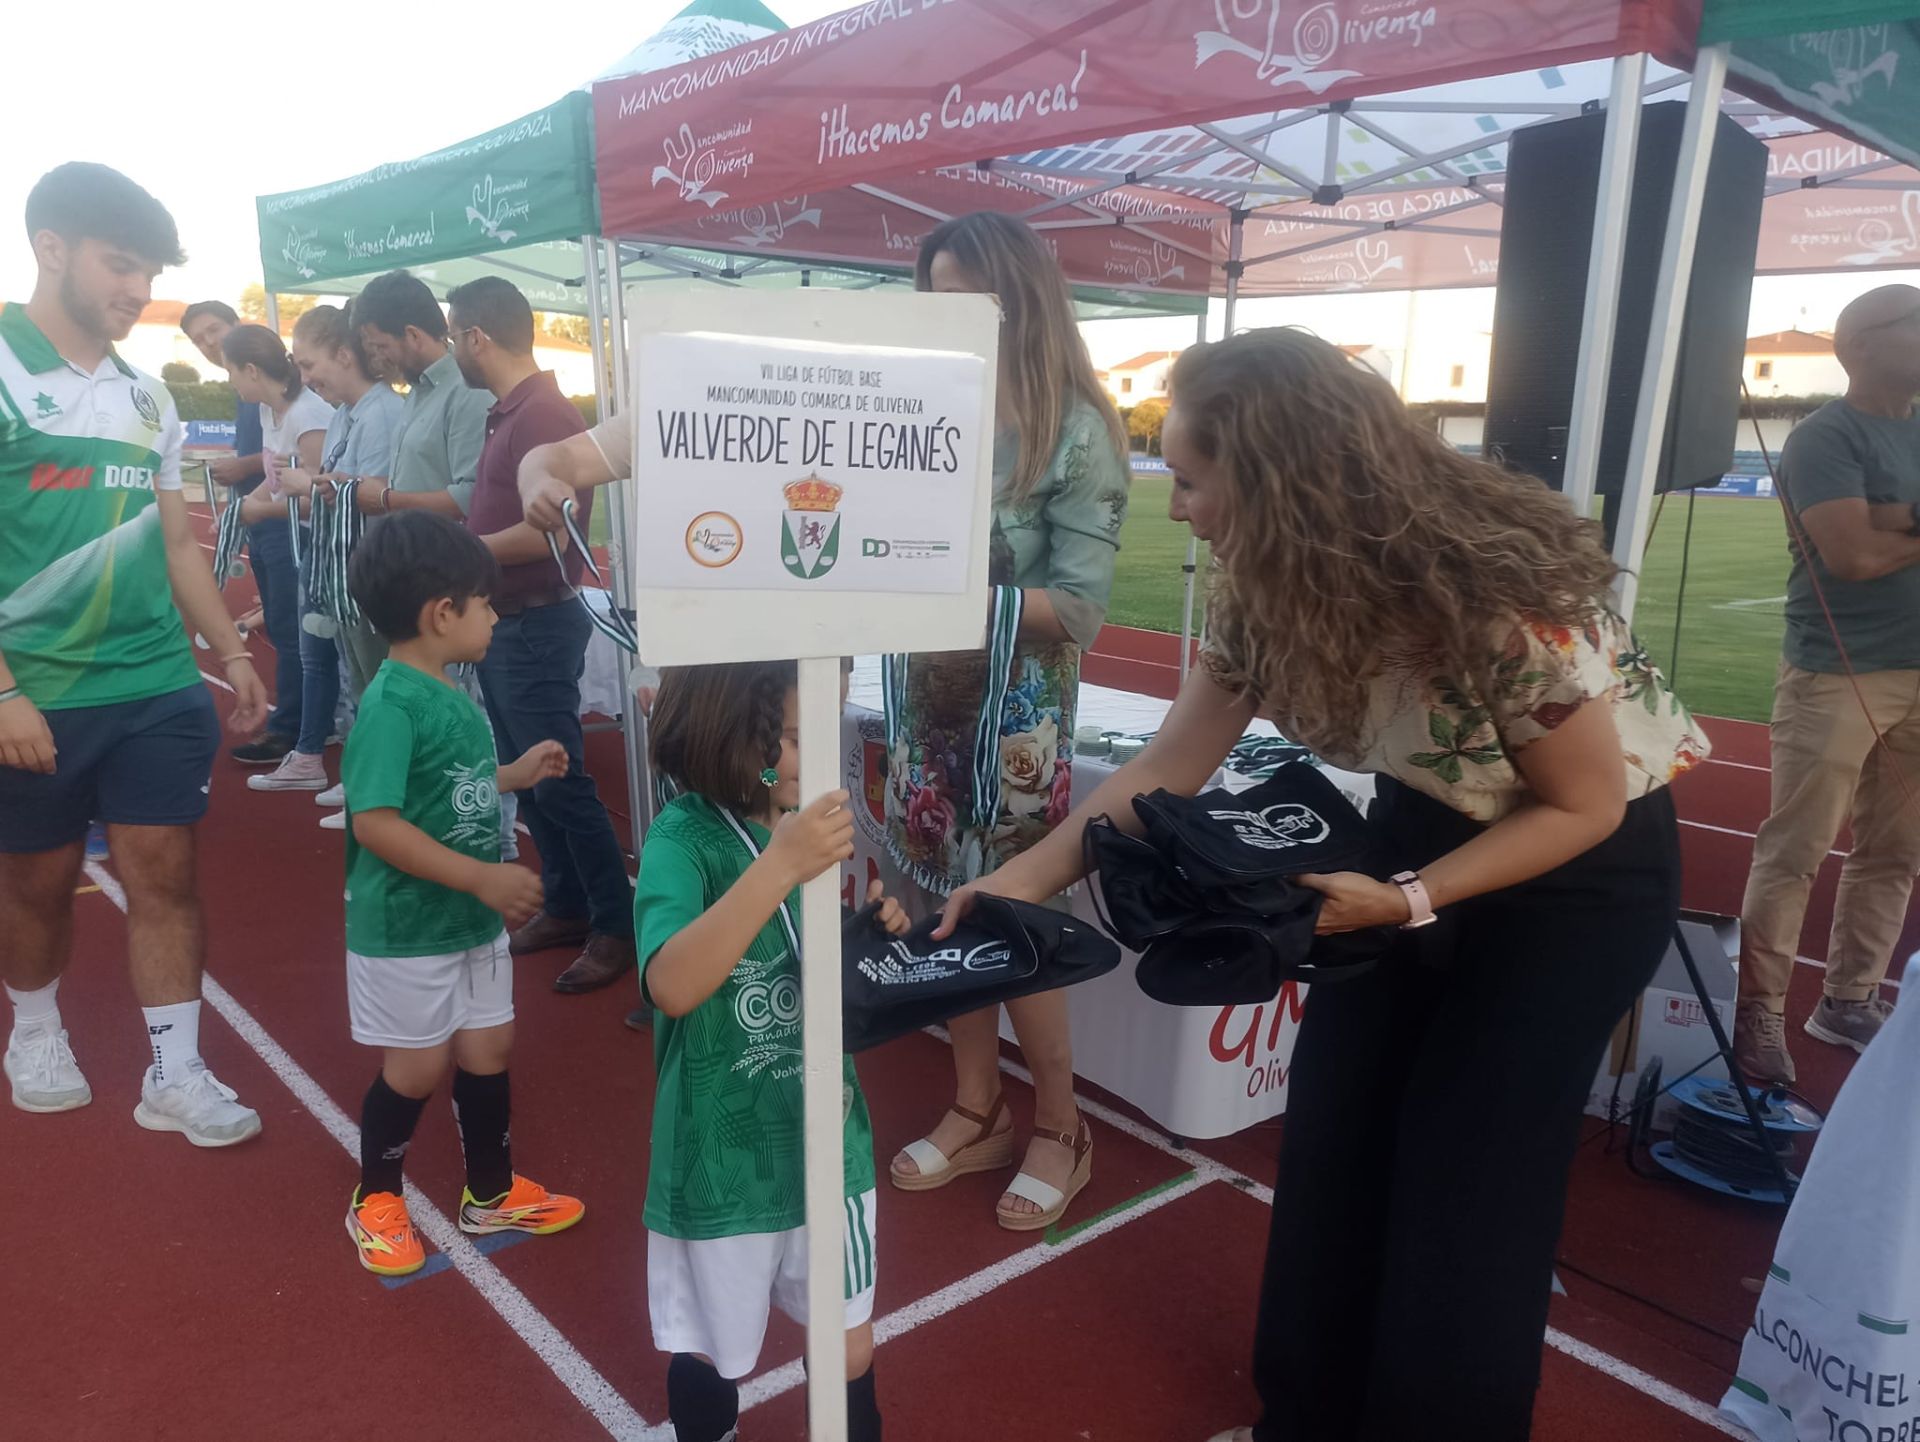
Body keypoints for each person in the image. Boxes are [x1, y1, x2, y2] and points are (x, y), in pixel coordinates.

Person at [939, 329, 1710, 1442]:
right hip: (1406, 835)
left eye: (1192, 478)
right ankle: (1300, 1418)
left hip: (1571, 881)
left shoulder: (1501, 596)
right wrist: (1015, 882)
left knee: (1467, 1183)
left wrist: (1405, 901)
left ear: (1276, 474)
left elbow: (1581, 805)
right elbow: (1164, 771)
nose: (1176, 508)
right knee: (1337, 1137)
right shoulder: (1265, 589)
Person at [1, 163, 268, 1144]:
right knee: (37, 883)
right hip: (36, 689)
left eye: (146, 272)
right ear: (52, 248)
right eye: (121, 265)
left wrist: (233, 651)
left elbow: (177, 543)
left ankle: (177, 1072)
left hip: (154, 678)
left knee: (166, 873)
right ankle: (34, 1030)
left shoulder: (148, 397)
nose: (134, 291)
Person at [881, 212, 1131, 1230]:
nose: (949, 318)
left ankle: (1062, 1124)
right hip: (922, 712)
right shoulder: (917, 405)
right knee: (945, 907)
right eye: (934, 297)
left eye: (968, 298)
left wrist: (932, 593)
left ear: (1019, 300)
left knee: (1019, 917)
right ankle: (977, 1103)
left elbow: (1078, 607)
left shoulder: (1077, 426)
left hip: (1013, 726)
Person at [635, 659, 905, 1442]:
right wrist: (781, 863)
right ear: (731, 733)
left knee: (849, 1342)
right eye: (791, 737)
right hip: (721, 1161)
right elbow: (673, 983)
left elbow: (803, 964)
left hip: (829, 1145)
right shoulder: (683, 838)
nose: (809, 755)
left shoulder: (795, 828)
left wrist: (863, 939)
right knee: (711, 1350)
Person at [338, 508, 582, 1276]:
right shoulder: (390, 706)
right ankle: (375, 1197)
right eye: (486, 602)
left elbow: (451, 785)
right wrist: (482, 874)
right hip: (411, 929)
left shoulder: (444, 688)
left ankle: (490, 1191)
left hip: (472, 923)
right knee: (414, 1069)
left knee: (489, 1048)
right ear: (442, 613)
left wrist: (512, 773)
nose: (494, 614)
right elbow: (375, 821)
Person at [1734, 283, 1920, 1085]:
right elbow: (1853, 557)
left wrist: (1891, 517)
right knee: (1796, 851)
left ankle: (1846, 999)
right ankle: (1759, 1017)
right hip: (1837, 672)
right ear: (1863, 344)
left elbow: (1880, 535)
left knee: (1895, 851)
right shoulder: (1824, 437)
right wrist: (1882, 525)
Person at [445, 276, 635, 995]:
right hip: (508, 624)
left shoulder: (543, 413)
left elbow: (549, 535)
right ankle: (567, 905)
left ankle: (615, 925)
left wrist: (465, 554)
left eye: (454, 334)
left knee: (559, 781)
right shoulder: (514, 410)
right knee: (532, 784)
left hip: (531, 624)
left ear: (475, 338)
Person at [246, 305, 402, 802]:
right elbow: (345, 485)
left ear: (343, 354)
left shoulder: (381, 412)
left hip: (372, 568)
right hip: (345, 569)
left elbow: (375, 497)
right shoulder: (344, 416)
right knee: (360, 686)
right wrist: (316, 486)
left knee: (380, 687)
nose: (305, 377)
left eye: (310, 365)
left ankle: (383, 791)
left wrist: (308, 487)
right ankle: (367, 783)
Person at [222, 323, 333, 766]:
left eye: (231, 371)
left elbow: (321, 497)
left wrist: (258, 510)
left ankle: (296, 730)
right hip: (279, 532)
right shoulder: (272, 412)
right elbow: (274, 482)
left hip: (305, 538)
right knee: (289, 632)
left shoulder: (310, 414)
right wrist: (239, 512)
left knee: (297, 636)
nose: (229, 381)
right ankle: (301, 726)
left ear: (251, 369)